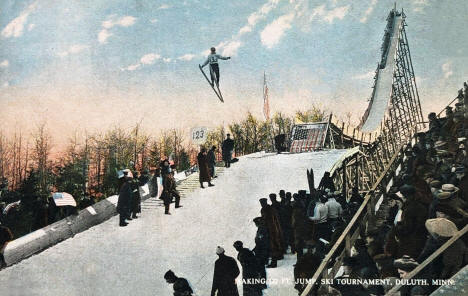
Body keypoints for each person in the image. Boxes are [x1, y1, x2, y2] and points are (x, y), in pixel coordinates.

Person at [259, 198, 284, 268]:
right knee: (276, 244)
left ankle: (274, 262)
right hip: (274, 228)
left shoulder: (266, 210)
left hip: (271, 230)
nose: (261, 205)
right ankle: (278, 257)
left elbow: (268, 221)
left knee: (273, 246)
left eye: (262, 203)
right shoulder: (270, 208)